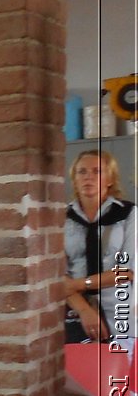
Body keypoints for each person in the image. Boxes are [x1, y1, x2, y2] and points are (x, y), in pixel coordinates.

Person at [58, 149, 134, 349]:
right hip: (74, 308)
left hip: (118, 307)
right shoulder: (61, 218)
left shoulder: (128, 214)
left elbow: (127, 271)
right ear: (74, 179)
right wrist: (84, 310)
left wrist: (78, 284)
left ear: (110, 178)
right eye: (82, 172)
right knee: (78, 374)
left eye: (97, 171)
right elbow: (58, 273)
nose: (88, 177)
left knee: (118, 373)